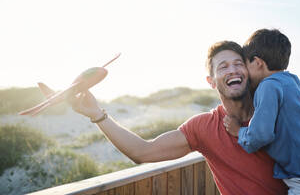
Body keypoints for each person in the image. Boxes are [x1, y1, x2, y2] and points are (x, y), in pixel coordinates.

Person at [42, 41, 287, 195]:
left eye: (238, 64)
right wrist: (97, 114)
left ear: (248, 71)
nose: (232, 69)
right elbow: (143, 152)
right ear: (211, 82)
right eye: (223, 67)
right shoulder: (203, 127)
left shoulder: (276, 107)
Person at [223, 29, 300, 195]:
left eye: (245, 64)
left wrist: (239, 131)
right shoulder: (292, 82)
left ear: (257, 62)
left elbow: (260, 135)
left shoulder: (268, 86)